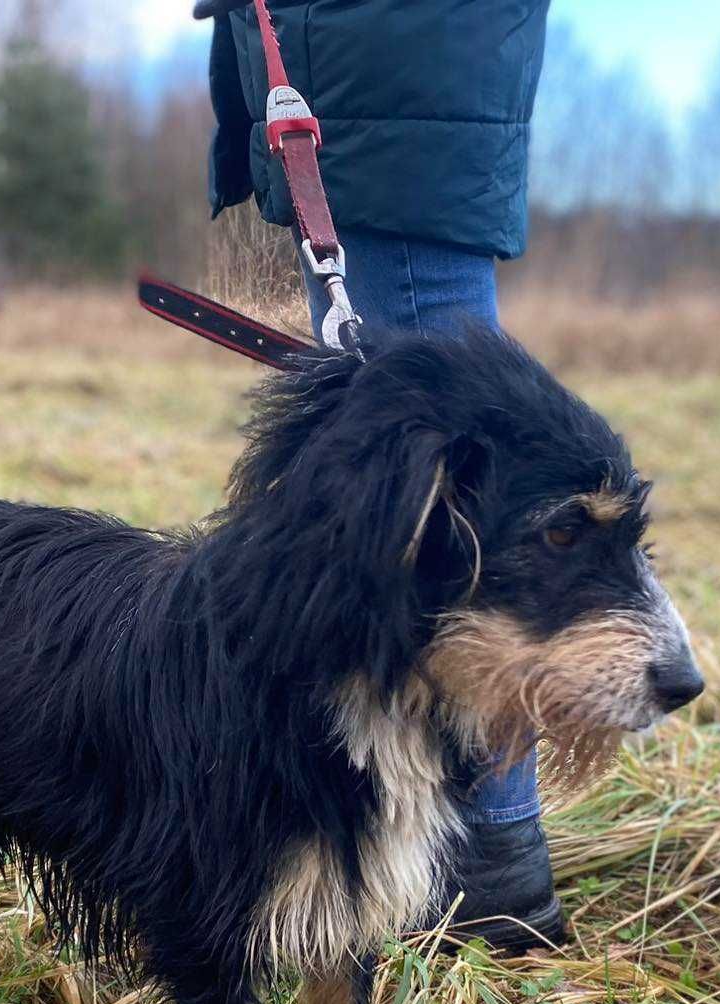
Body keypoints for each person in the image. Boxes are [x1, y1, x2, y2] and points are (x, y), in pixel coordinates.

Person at [204, 0, 564, 952]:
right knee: (409, 420)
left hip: (381, 59)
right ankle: (462, 843)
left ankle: (477, 866)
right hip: (372, 60)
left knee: (431, 442)